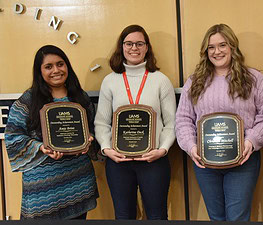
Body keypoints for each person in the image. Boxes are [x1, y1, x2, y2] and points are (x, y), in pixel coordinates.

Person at [175, 24, 263, 221]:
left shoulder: (254, 79)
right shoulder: (195, 82)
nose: (217, 51)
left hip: (243, 160)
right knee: (216, 217)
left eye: (222, 45)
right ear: (205, 51)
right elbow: (183, 119)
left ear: (232, 47)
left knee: (238, 218)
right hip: (205, 162)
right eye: (211, 47)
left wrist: (251, 141)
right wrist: (191, 147)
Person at [5, 45, 99, 219]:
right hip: (43, 188)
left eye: (60, 64)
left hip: (78, 180)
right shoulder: (28, 100)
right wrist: (41, 147)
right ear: (39, 71)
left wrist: (89, 139)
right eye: (48, 66)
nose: (56, 70)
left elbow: (93, 127)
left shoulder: (80, 97)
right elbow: (13, 137)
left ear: (67, 66)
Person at [94, 24, 176, 220]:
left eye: (140, 43)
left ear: (147, 47)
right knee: (123, 216)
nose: (134, 48)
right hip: (119, 161)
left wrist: (162, 149)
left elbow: (172, 123)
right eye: (129, 43)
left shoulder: (160, 80)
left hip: (153, 161)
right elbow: (102, 122)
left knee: (157, 215)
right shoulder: (110, 81)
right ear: (121, 47)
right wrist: (106, 149)